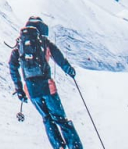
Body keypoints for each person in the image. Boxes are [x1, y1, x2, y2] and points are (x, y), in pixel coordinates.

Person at [8, 16, 83, 149]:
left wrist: (19, 89)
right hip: (47, 86)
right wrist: (69, 70)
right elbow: (59, 57)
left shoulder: (20, 45)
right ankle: (74, 147)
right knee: (60, 118)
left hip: (30, 89)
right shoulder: (43, 41)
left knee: (47, 119)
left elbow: (13, 66)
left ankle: (58, 146)